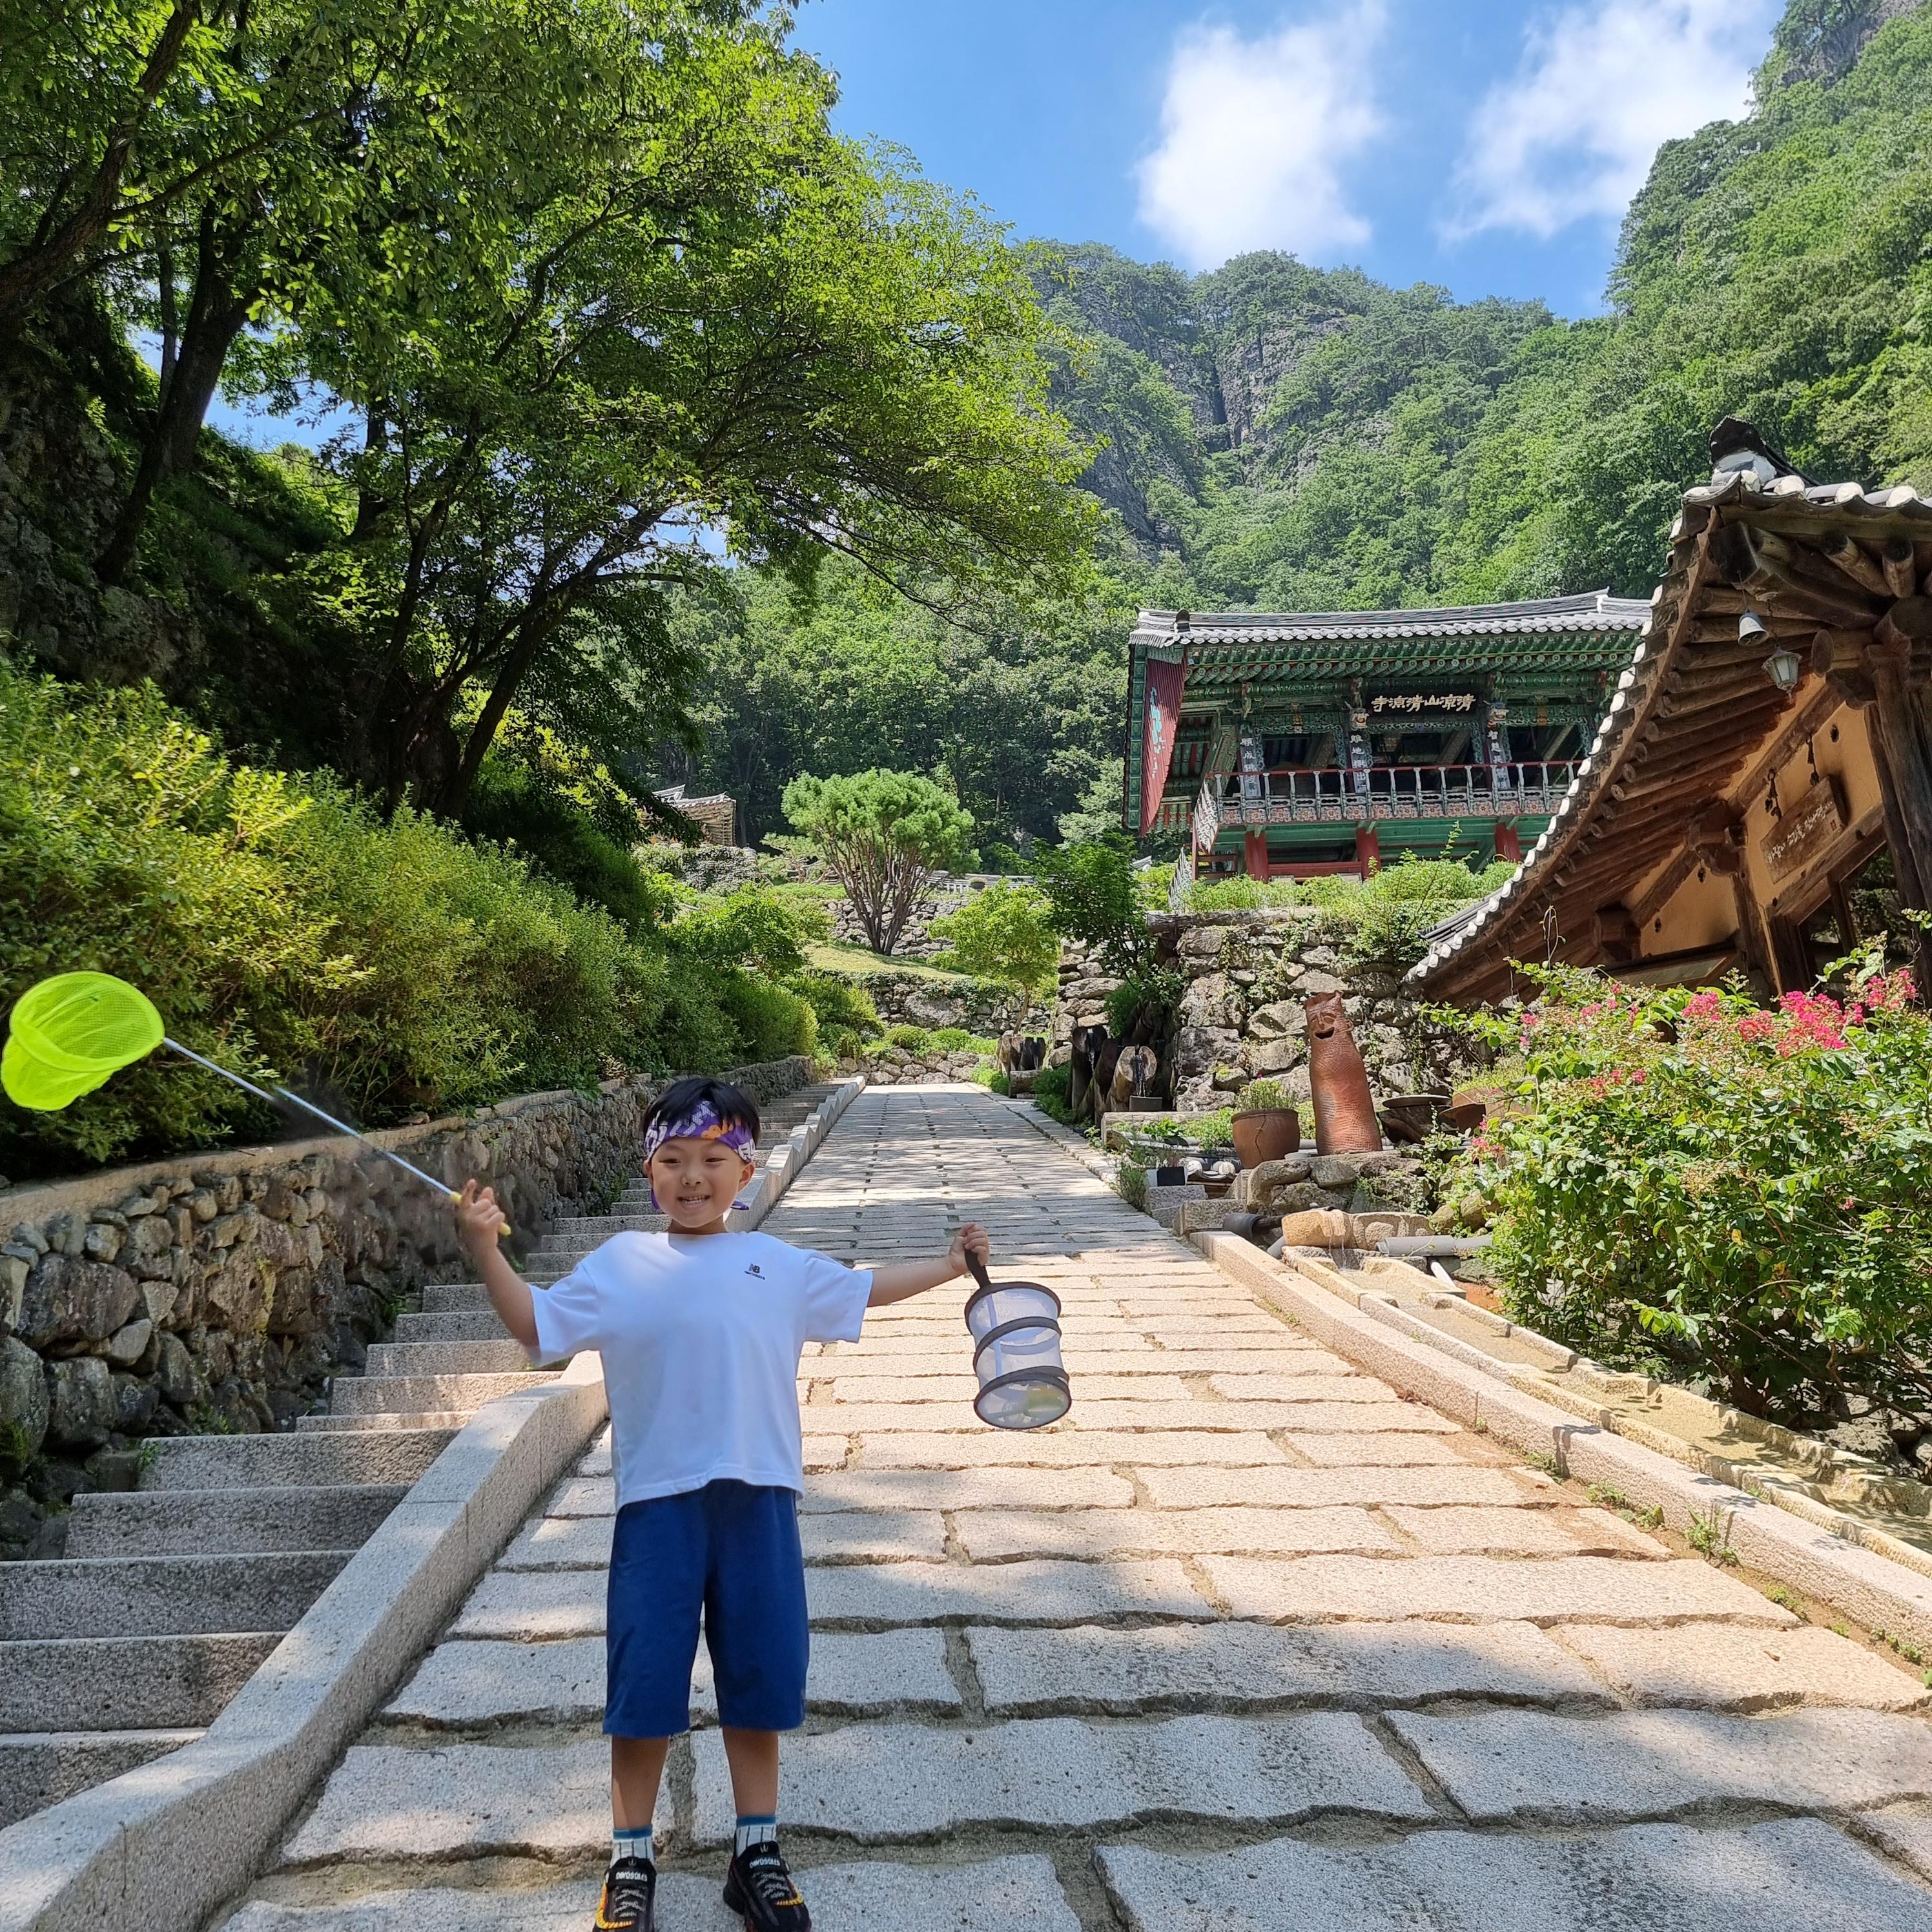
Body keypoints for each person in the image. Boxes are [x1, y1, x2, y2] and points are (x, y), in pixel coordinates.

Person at [455, 1076, 988, 1932]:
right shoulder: (621, 1265)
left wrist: (950, 1266)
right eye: (672, 1159)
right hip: (657, 1510)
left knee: (760, 1678)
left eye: (713, 1158)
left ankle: (757, 1852)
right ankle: (631, 1857)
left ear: (746, 1169)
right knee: (643, 1686)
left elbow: (864, 1287)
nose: (692, 1176)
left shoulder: (776, 1265)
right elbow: (536, 1327)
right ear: (649, 1170)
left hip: (758, 1503)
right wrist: (486, 1249)